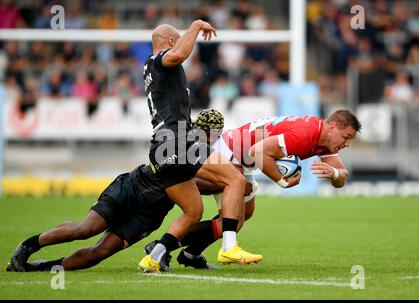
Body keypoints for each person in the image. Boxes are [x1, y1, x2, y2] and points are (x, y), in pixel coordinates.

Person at [6, 110, 252, 272]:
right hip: (133, 188)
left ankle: (40, 268)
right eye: (212, 133)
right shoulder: (186, 144)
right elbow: (192, 181)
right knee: (85, 230)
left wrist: (230, 181)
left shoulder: (206, 153)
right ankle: (28, 246)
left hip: (151, 212)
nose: (213, 138)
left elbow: (196, 183)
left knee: (100, 252)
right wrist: (232, 181)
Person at [158, 109, 362, 269]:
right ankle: (163, 247)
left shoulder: (324, 139)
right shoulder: (307, 132)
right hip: (232, 152)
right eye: (346, 137)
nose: (347, 144)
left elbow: (342, 175)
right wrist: (283, 181)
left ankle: (189, 254)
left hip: (243, 157)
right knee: (233, 220)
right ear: (333, 127)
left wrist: (334, 174)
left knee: (245, 214)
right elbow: (258, 151)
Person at [139, 21, 261, 273]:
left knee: (193, 212)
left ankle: (154, 257)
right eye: (179, 39)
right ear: (171, 41)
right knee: (235, 180)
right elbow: (181, 53)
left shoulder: (149, 68)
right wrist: (195, 26)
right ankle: (229, 247)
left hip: (160, 149)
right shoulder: (162, 59)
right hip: (178, 140)